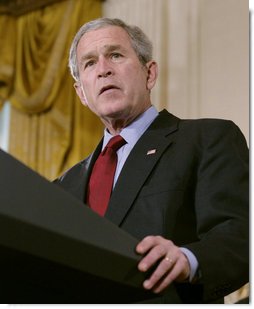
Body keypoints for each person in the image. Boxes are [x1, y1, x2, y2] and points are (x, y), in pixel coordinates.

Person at [54, 17, 249, 303]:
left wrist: (188, 259)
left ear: (150, 73)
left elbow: (241, 235)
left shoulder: (207, 139)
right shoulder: (62, 187)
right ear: (81, 93)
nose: (103, 70)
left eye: (115, 55)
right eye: (89, 63)